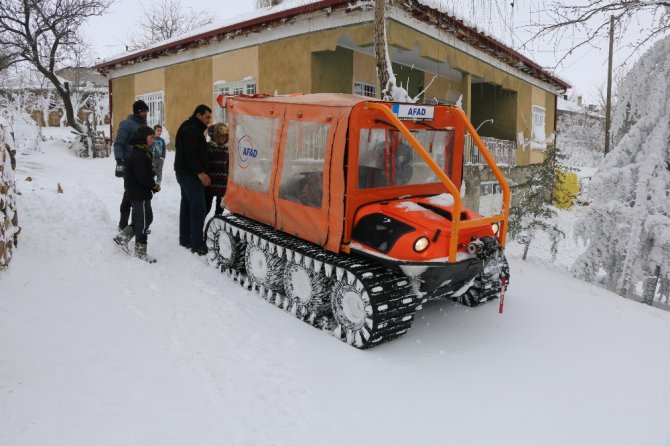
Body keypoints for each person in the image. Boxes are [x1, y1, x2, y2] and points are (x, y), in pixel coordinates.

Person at [118, 125, 161, 262]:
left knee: (147, 218)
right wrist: (153, 185)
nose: (153, 140)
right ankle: (141, 252)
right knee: (142, 223)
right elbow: (142, 176)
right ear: (143, 138)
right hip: (138, 193)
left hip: (141, 192)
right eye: (151, 137)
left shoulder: (143, 151)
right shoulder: (139, 154)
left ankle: (121, 238)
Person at [174, 104, 212, 255]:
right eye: (207, 117)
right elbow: (190, 154)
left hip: (185, 173)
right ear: (198, 115)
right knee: (198, 208)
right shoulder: (191, 129)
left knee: (187, 206)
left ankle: (185, 239)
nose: (209, 120)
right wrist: (200, 173)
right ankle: (197, 245)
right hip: (189, 175)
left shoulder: (191, 127)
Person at [113, 100, 149, 230]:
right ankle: (124, 224)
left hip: (142, 165)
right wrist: (119, 161)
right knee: (131, 193)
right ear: (136, 112)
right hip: (129, 165)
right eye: (142, 111)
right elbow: (118, 144)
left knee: (134, 194)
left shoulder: (144, 125)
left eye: (146, 111)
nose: (145, 113)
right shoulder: (127, 125)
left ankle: (137, 223)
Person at [205, 122, 229, 216]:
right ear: (214, 136)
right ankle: (198, 227)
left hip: (222, 184)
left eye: (225, 136)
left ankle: (216, 222)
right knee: (206, 207)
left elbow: (228, 166)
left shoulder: (226, 149)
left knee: (220, 209)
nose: (222, 138)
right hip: (210, 183)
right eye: (220, 136)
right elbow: (205, 165)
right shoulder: (208, 147)